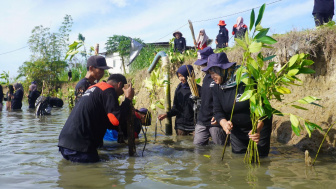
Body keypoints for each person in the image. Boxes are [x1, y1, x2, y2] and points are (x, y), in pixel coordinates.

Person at [202, 52, 272, 156]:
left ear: (223, 70)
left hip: (257, 127)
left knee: (259, 160)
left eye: (213, 73)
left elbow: (265, 109)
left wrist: (257, 130)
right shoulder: (216, 86)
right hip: (236, 130)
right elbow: (217, 111)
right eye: (210, 73)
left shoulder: (247, 81)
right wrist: (224, 123)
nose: (211, 76)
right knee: (238, 160)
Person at [58, 74, 135, 163]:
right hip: (80, 147)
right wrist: (128, 99)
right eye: (120, 93)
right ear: (119, 84)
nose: (117, 97)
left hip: (65, 143)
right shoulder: (109, 90)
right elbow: (116, 120)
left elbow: (108, 122)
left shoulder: (95, 88)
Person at [193, 47, 227, 145]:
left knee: (220, 148)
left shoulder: (219, 78)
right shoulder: (206, 77)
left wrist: (219, 117)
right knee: (197, 147)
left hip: (215, 120)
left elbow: (224, 99)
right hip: (202, 119)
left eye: (205, 64)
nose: (203, 67)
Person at [158, 65, 201, 136]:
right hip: (181, 125)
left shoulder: (198, 90)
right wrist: (166, 115)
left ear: (189, 75)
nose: (181, 78)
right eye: (179, 76)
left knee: (196, 145)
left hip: (194, 125)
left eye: (182, 76)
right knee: (180, 145)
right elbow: (176, 108)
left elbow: (202, 108)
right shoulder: (178, 90)